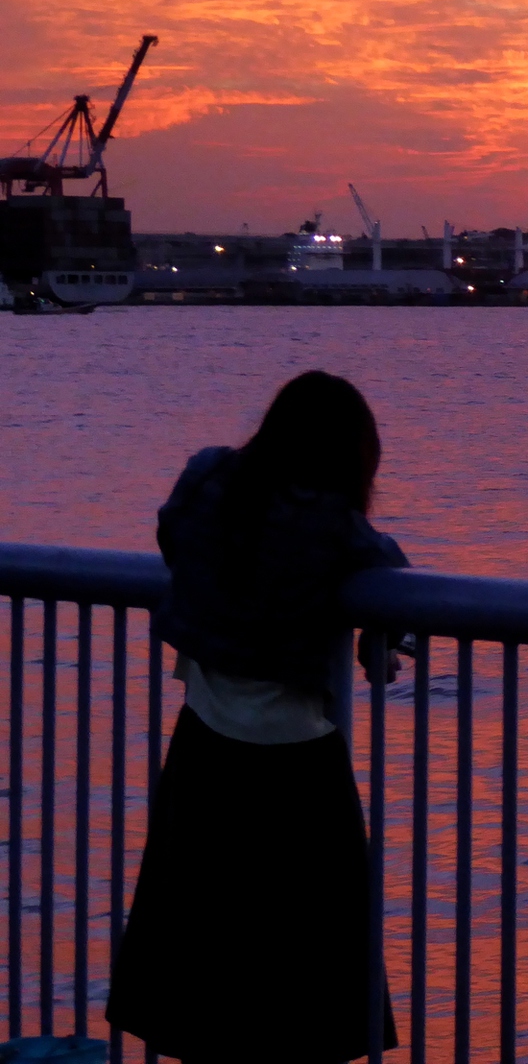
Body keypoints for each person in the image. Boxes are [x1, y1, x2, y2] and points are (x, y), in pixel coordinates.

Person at [107, 371, 405, 1064]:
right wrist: (386, 640)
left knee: (203, 975)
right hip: (299, 767)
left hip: (204, 751)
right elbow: (385, 564)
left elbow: (169, 529)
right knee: (305, 989)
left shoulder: (211, 480)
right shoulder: (334, 526)